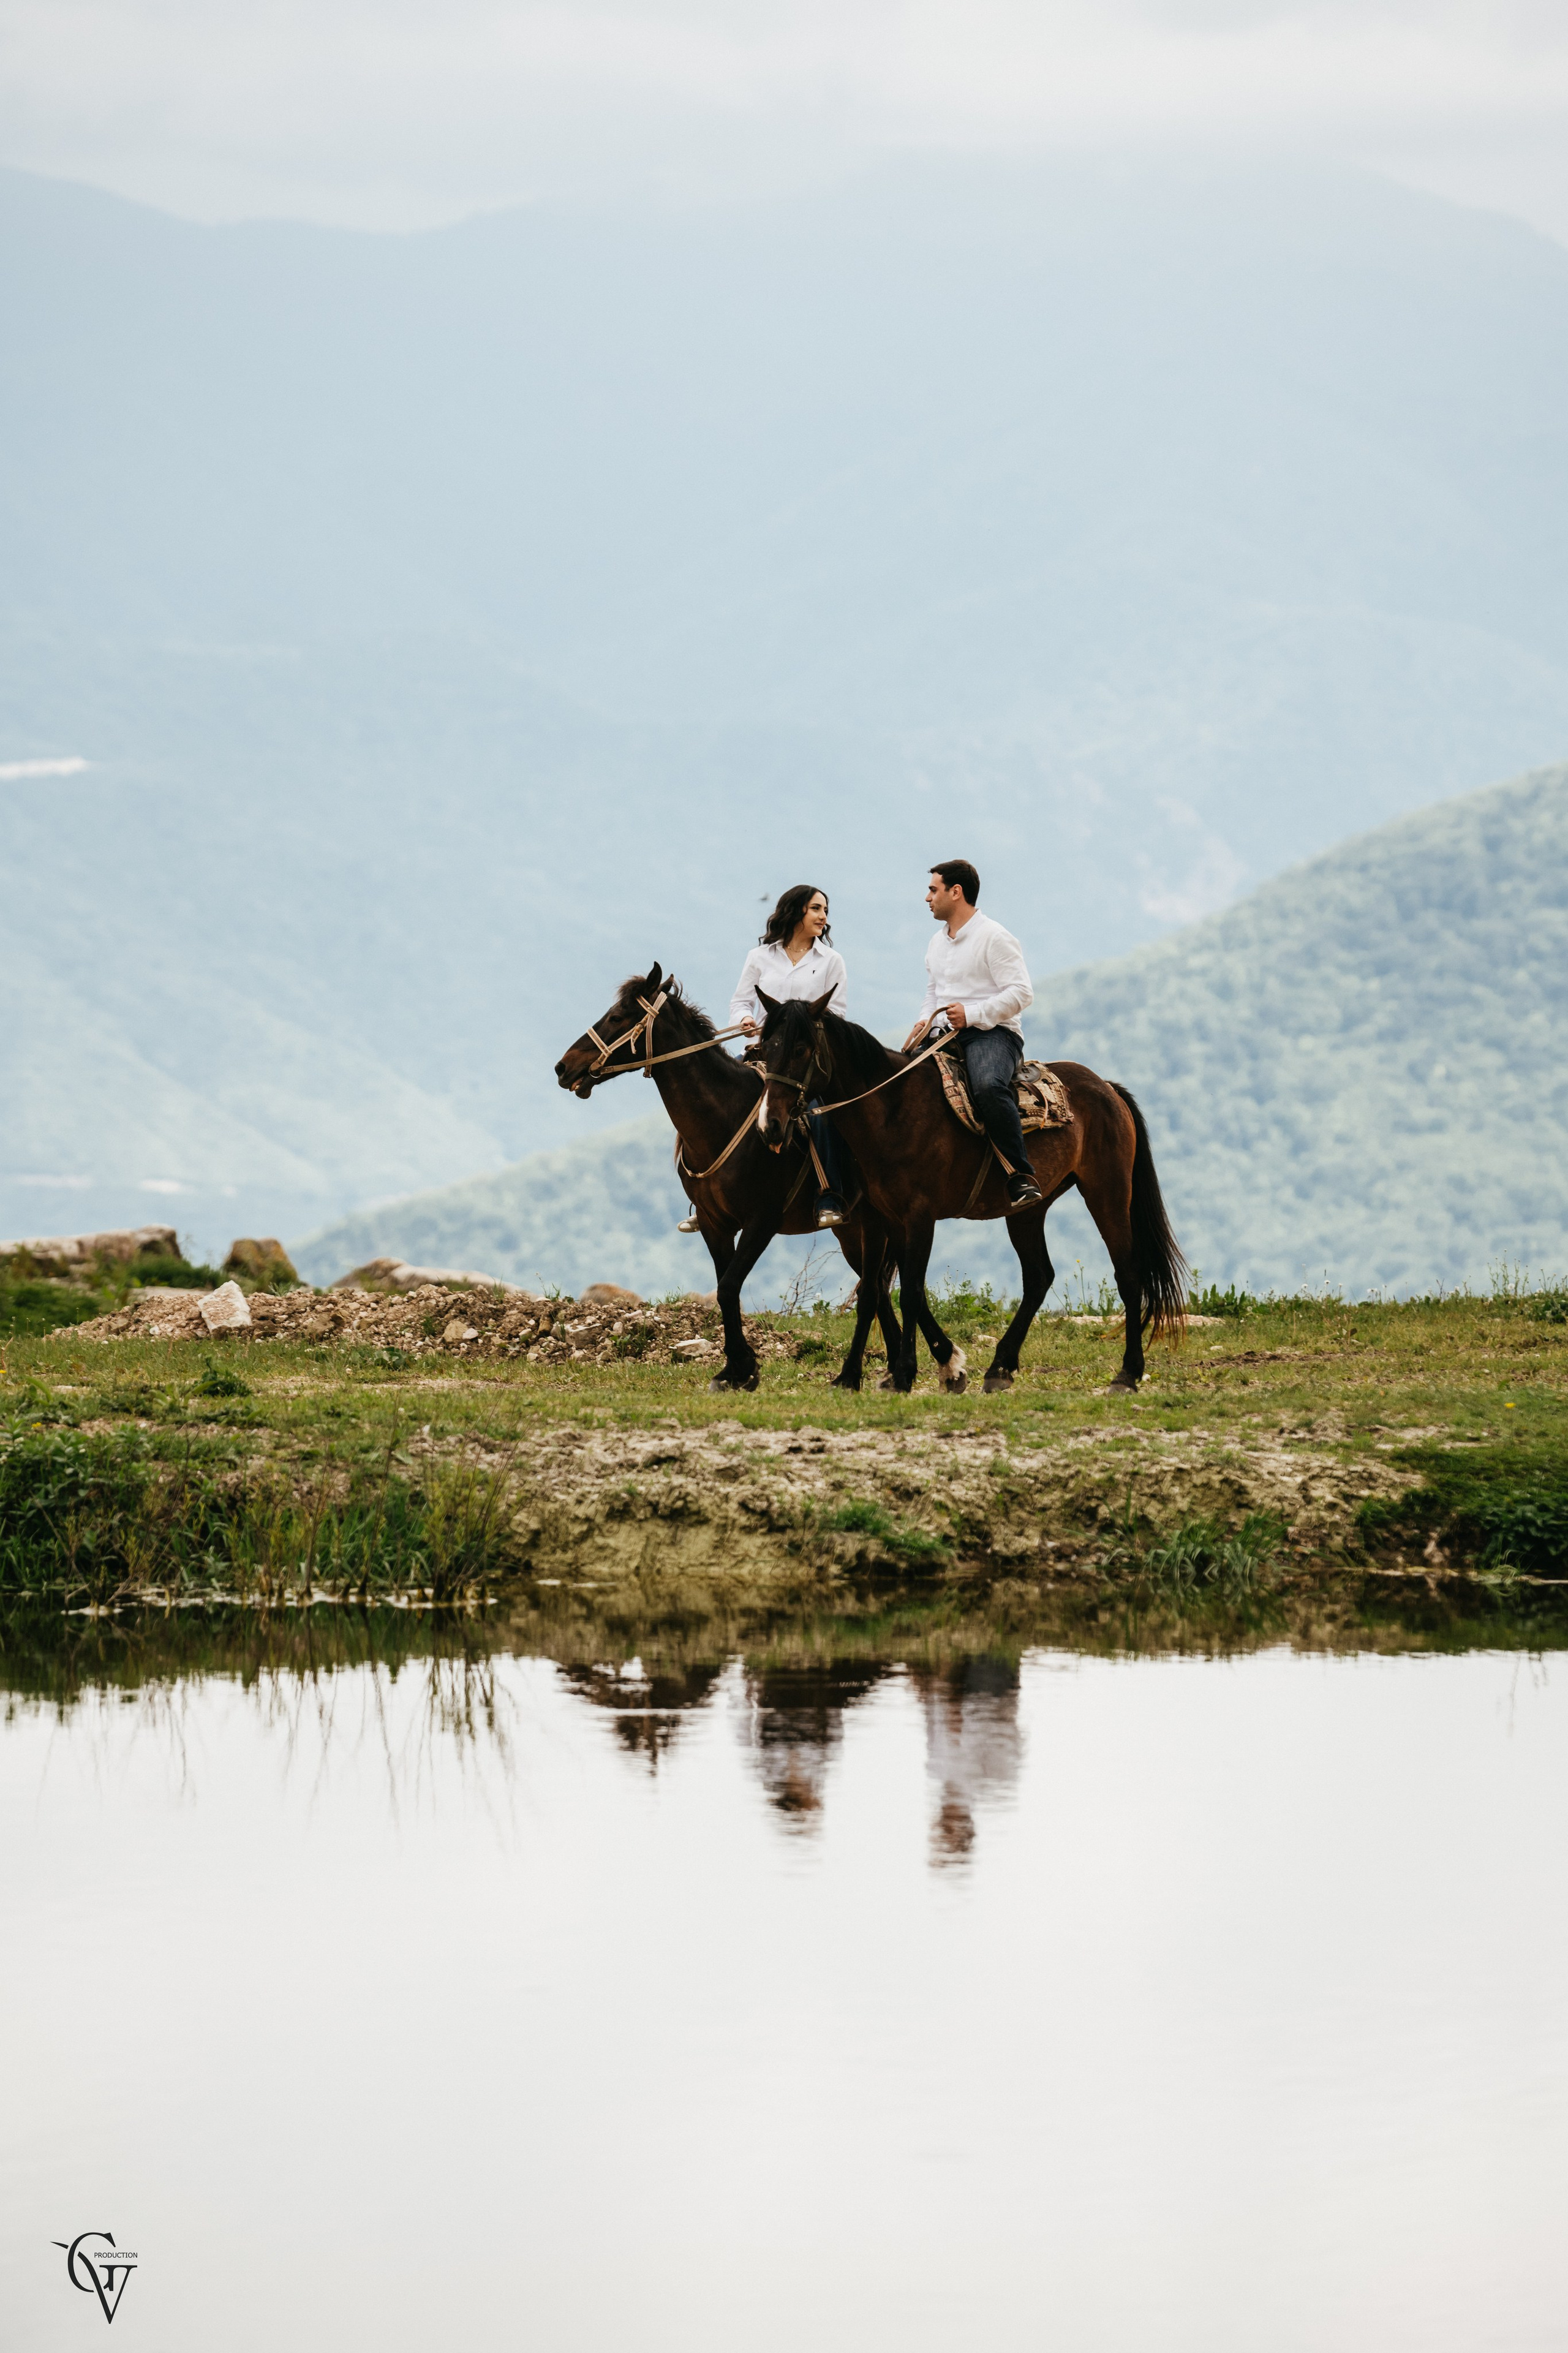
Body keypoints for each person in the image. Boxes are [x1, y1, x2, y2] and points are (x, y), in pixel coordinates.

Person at [676, 885, 853, 1231]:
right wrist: (743, 1021)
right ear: (796, 911)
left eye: (826, 911)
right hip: (762, 1052)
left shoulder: (832, 962)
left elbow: (838, 1016)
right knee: (714, 1105)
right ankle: (704, 1199)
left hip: (806, 1060)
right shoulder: (759, 957)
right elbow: (741, 1002)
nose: (823, 917)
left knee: (821, 1115)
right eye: (817, 909)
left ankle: (829, 1196)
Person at [903, 859, 1044, 1210]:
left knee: (987, 1087)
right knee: (899, 1081)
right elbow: (934, 991)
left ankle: (1020, 1175)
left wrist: (973, 1014)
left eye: (933, 890)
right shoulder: (937, 943)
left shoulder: (995, 937)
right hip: (945, 1035)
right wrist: (924, 1021)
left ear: (956, 892)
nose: (927, 898)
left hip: (994, 1035)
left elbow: (1022, 993)